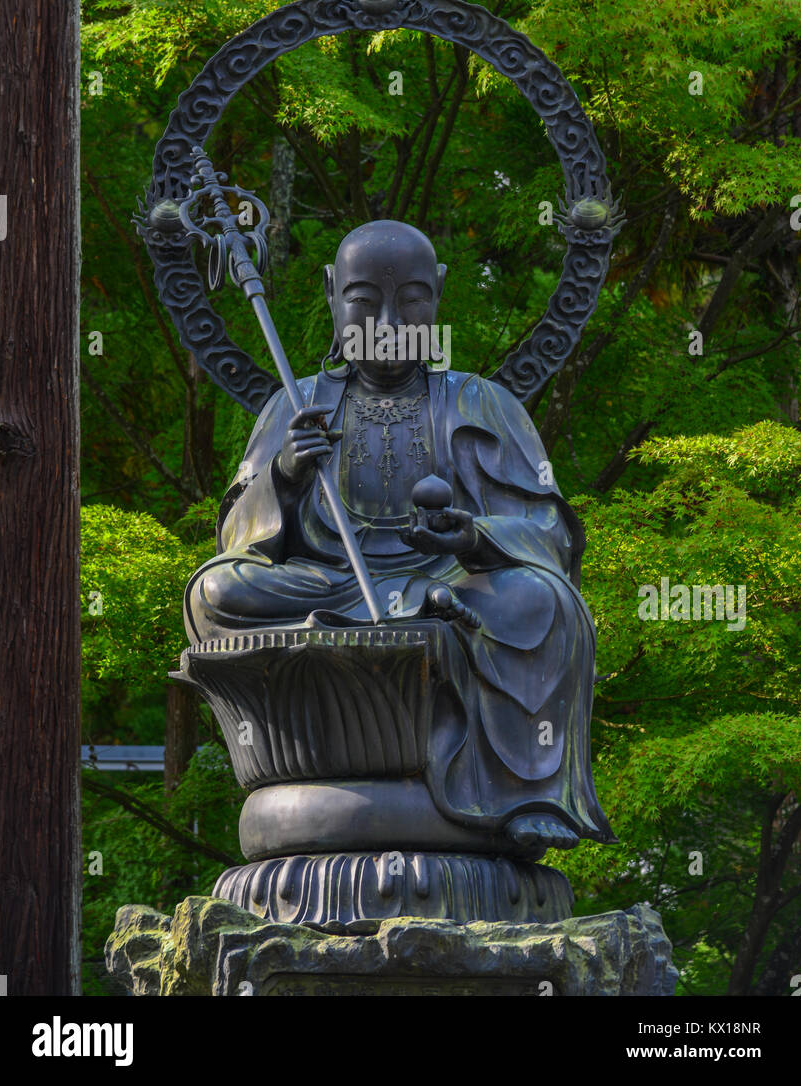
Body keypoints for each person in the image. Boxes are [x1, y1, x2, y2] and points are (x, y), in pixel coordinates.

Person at [184, 219, 615, 853]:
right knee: (214, 591)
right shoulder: (294, 405)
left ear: (438, 295)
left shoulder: (480, 402)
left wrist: (473, 536)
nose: (387, 320)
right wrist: (285, 473)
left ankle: (525, 793)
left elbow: (547, 534)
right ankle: (392, 649)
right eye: (364, 300)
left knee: (540, 600)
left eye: (411, 299)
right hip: (326, 585)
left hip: (444, 582)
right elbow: (242, 542)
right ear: (333, 294)